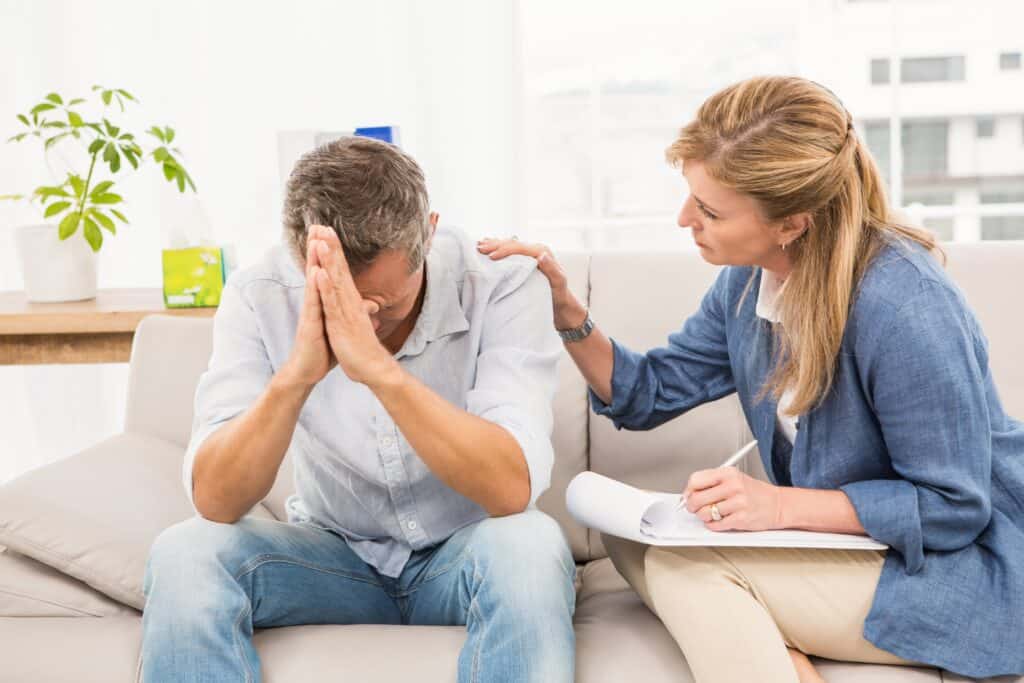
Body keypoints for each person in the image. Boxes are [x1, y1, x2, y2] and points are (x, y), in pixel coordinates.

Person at [480, 75, 1024, 683]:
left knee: (687, 569)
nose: (685, 218)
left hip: (946, 567)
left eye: (709, 210)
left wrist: (776, 504)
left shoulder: (906, 308)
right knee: (633, 542)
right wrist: (569, 316)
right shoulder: (749, 283)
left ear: (792, 222)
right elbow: (650, 391)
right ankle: (779, 650)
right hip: (849, 552)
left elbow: (954, 508)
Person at [141, 136, 576, 682]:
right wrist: (297, 375)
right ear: (300, 257)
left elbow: (512, 489)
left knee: (530, 544)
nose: (364, 322)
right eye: (344, 301)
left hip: (466, 556)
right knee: (185, 552)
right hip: (332, 558)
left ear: (430, 233)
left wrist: (377, 369)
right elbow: (216, 499)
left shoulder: (502, 283)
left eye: (384, 306)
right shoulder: (260, 293)